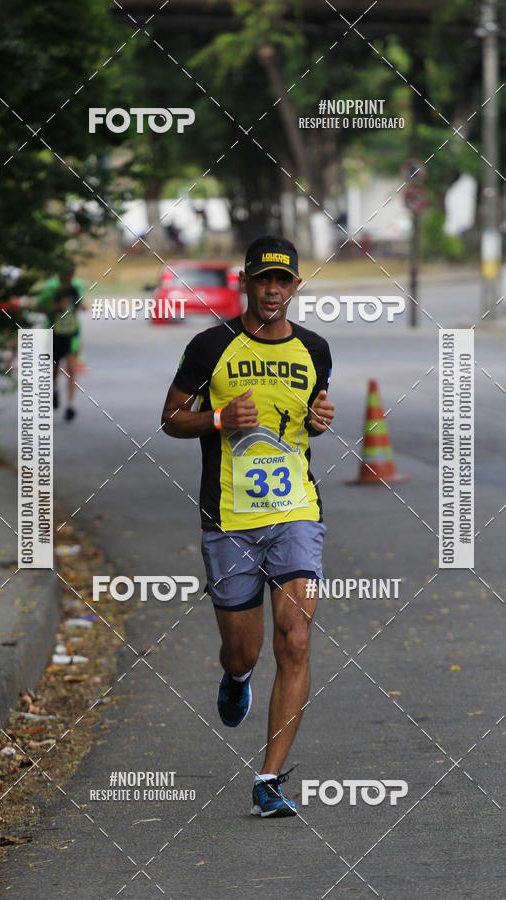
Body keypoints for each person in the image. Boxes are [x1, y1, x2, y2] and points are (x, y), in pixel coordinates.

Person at [161, 235, 334, 818]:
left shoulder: (315, 348)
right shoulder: (210, 346)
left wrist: (321, 419)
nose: (272, 290)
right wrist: (215, 417)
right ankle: (235, 679)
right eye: (263, 280)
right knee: (244, 652)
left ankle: (269, 779)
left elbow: (311, 417)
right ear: (246, 283)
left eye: (282, 281)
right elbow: (170, 419)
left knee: (297, 639)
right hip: (228, 519)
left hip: (296, 514)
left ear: (295, 287)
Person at [37, 277, 85, 421]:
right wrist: (57, 306)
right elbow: (40, 306)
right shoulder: (51, 286)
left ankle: (70, 405)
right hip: (54, 333)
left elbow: (81, 304)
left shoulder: (76, 285)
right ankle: (54, 389)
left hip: (72, 334)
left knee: (72, 369)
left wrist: (82, 306)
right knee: (54, 368)